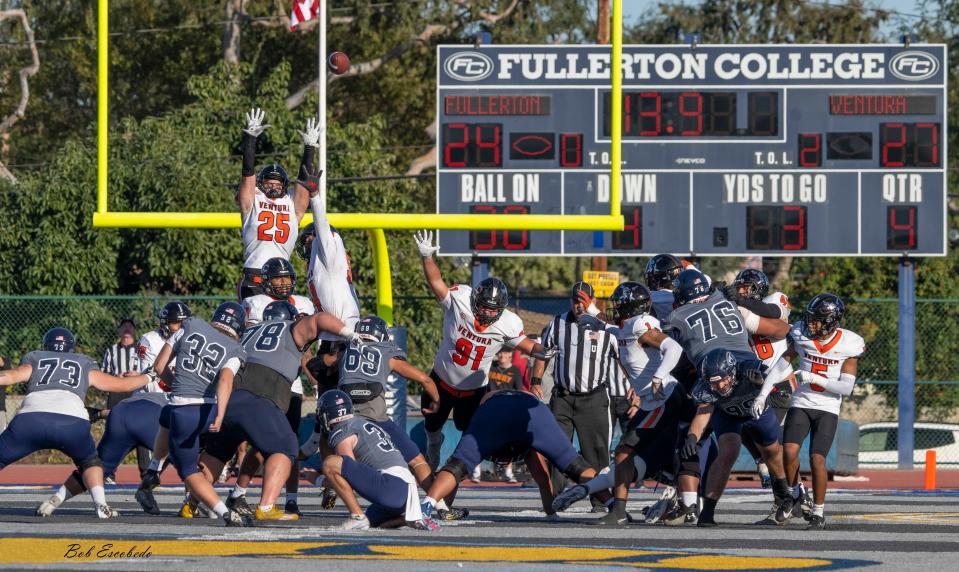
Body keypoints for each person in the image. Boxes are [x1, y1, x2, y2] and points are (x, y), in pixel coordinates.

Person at [201, 300, 360, 521]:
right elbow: (318, 319)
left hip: (231, 395)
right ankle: (266, 507)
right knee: (286, 447)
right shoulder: (290, 328)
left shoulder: (248, 331)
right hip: (264, 393)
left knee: (217, 452)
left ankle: (194, 500)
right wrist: (348, 333)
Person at [412, 229, 555, 470]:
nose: (488, 313)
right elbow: (436, 282)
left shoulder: (508, 323)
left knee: (470, 432)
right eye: (485, 307)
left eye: (493, 309)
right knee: (432, 427)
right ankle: (434, 449)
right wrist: (427, 257)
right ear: (475, 300)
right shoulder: (460, 301)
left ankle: (455, 467)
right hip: (441, 381)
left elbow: (529, 346)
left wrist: (545, 351)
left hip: (473, 390)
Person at [551, 282, 687, 525]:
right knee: (635, 456)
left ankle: (619, 511)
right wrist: (593, 317)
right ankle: (616, 499)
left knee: (625, 451)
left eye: (620, 304)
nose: (616, 308)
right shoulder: (627, 326)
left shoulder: (640, 325)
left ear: (630, 307)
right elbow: (612, 327)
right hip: (652, 401)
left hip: (662, 399)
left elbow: (673, 347)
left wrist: (658, 377)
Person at [661, 268, 791, 523]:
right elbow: (779, 324)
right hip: (746, 368)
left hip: (723, 371)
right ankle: (710, 510)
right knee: (752, 448)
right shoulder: (725, 298)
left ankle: (783, 491)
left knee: (759, 448)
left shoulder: (677, 315)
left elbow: (668, 346)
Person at [0, 328, 154, 518]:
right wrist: (150, 376)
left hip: (31, 420)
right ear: (71, 347)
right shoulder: (83, 363)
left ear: (46, 345)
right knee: (91, 463)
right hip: (72, 423)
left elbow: (11, 376)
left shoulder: (36, 357)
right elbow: (120, 385)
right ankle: (101, 505)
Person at [420, 390, 605, 521]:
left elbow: (456, 469)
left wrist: (445, 507)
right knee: (573, 464)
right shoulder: (529, 448)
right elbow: (542, 477)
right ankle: (613, 504)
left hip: (495, 410)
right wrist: (550, 512)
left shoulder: (484, 408)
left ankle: (429, 504)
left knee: (459, 465)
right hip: (532, 411)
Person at [767, 294, 864, 530]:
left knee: (817, 459)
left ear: (831, 321)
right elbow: (784, 360)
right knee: (789, 452)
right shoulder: (801, 333)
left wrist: (812, 376)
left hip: (827, 407)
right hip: (801, 400)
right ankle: (795, 494)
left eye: (818, 320)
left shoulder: (848, 344)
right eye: (811, 319)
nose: (811, 324)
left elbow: (847, 388)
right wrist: (765, 388)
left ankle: (818, 512)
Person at [151, 302, 250, 526]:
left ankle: (225, 512)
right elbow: (225, 380)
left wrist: (175, 385)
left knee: (187, 469)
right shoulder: (236, 349)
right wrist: (220, 414)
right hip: (210, 409)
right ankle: (156, 471)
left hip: (183, 409)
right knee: (212, 444)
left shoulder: (191, 325)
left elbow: (159, 367)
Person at [682, 349, 796, 527]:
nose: (720, 386)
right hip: (728, 414)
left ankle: (784, 493)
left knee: (772, 452)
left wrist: (764, 383)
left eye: (723, 379)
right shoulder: (704, 387)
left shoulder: (750, 368)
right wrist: (692, 436)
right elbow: (703, 413)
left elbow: (779, 376)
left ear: (732, 371)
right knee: (727, 451)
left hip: (757, 412)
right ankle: (708, 511)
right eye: (715, 383)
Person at [533, 282, 619, 511]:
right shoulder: (558, 323)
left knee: (597, 452)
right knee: (555, 447)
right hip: (562, 397)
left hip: (593, 398)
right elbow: (544, 353)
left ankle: (600, 502)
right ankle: (554, 499)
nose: (578, 305)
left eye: (583, 300)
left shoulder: (605, 326)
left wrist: (634, 388)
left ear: (591, 301)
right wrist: (535, 380)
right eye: (575, 300)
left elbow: (623, 353)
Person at [313, 390, 435, 530]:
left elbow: (346, 475)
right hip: (406, 493)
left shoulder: (342, 430)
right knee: (371, 520)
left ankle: (356, 516)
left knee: (330, 463)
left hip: (390, 487)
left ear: (326, 415)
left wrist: (316, 479)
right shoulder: (361, 422)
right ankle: (407, 519)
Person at [727, 269, 795, 488]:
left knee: (772, 441)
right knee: (742, 423)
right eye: (739, 288)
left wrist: (739, 301)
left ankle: (792, 493)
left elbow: (772, 312)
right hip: (754, 383)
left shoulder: (774, 300)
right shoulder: (738, 310)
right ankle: (763, 465)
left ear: (757, 288)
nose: (741, 291)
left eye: (745, 287)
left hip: (779, 383)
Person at [236, 109, 313, 299]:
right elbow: (247, 174)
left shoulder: (291, 204)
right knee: (253, 323)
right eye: (269, 181)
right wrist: (250, 140)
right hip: (254, 272)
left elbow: (304, 183)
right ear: (261, 183)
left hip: (282, 276)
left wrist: (310, 148)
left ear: (285, 186)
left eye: (278, 182)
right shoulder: (254, 200)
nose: (273, 185)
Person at [481, 348, 526, 483]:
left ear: (511, 355)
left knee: (509, 440)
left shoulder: (515, 371)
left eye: (505, 353)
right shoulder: (491, 368)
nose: (502, 355)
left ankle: (508, 471)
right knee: (489, 438)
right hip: (491, 407)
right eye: (500, 353)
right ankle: (481, 470)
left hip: (508, 408)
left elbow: (518, 390)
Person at [242, 257, 316, 325]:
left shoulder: (305, 303)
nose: (284, 282)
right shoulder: (255, 303)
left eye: (287, 277)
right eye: (277, 278)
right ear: (267, 281)